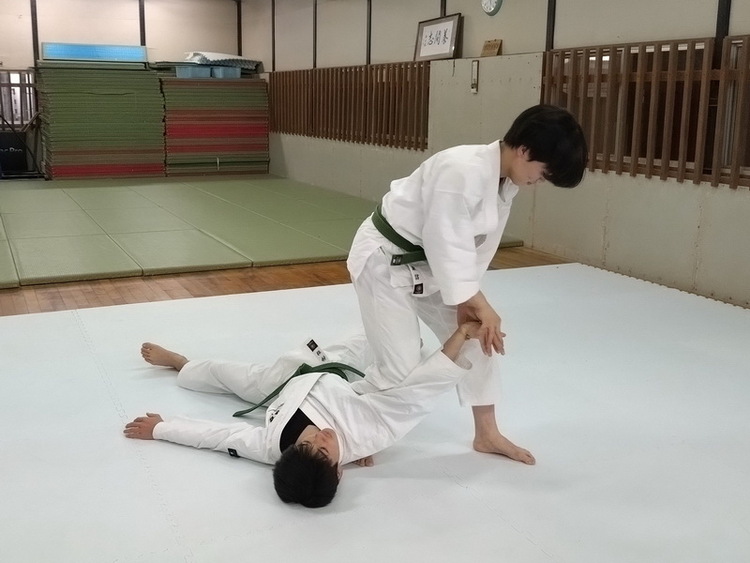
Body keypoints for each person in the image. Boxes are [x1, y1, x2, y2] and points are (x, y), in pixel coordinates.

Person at [347, 104, 588, 466]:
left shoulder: (504, 183)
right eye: (543, 173)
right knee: (400, 366)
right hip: (385, 260)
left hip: (433, 267)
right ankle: (354, 430)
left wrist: (470, 301)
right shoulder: (460, 169)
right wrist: (475, 299)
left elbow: (476, 249)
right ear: (524, 151)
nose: (539, 182)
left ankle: (486, 433)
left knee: (479, 336)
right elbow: (444, 239)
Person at [124, 321, 484, 508]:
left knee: (231, 374)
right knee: (392, 347)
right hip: (340, 372)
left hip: (283, 385)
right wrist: (462, 334)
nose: (319, 437)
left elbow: (219, 437)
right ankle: (407, 340)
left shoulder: (271, 447)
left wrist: (161, 429)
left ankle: (181, 363)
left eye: (306, 444)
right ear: (339, 471)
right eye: (324, 450)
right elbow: (420, 392)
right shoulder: (369, 431)